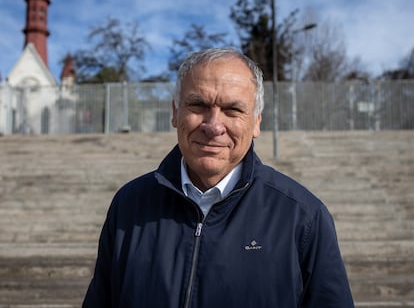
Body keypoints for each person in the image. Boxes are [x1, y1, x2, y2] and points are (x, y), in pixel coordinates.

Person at [83, 47, 354, 307]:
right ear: (175, 112)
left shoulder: (304, 217)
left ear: (256, 122)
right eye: (198, 105)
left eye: (233, 110)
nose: (213, 126)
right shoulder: (129, 205)